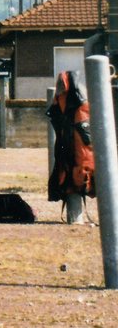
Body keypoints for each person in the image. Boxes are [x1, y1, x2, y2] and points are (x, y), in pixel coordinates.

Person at [47, 70, 95, 224]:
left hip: (77, 168)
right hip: (75, 165)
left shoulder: (73, 107)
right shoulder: (76, 106)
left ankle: (76, 216)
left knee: (77, 166)